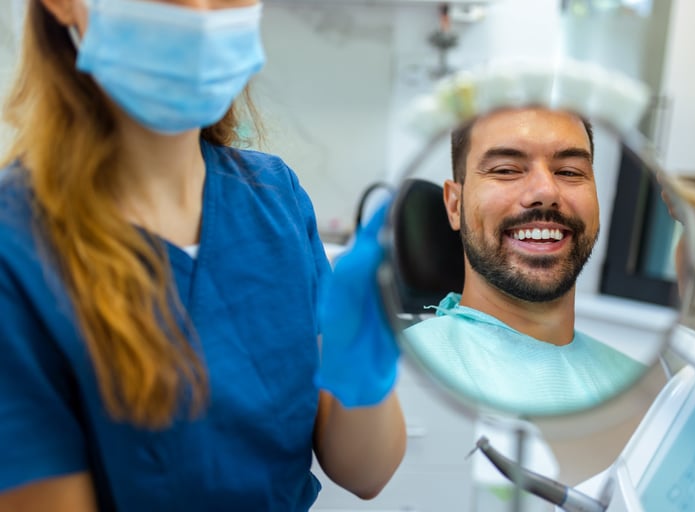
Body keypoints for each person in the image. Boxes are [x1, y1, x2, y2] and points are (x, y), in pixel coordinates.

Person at [0, 0, 405, 510]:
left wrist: (362, 366)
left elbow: (365, 472)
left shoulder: (275, 197)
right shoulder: (16, 243)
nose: (200, 12)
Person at [403, 106, 646, 415]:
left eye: (570, 172)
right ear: (454, 205)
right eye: (506, 170)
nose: (546, 191)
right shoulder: (402, 373)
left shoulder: (642, 384)